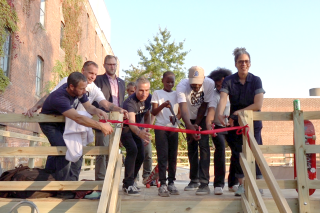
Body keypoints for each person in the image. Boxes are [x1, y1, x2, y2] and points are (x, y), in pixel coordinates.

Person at [37, 72, 114, 183]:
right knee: (62, 149)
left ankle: (71, 183)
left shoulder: (79, 91)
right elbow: (78, 118)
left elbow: (88, 107)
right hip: (50, 124)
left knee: (76, 148)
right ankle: (61, 186)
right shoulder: (59, 97)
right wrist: (100, 126)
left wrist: (97, 110)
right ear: (71, 87)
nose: (84, 92)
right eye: (82, 89)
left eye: (85, 88)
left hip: (64, 122)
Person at [216, 47, 265, 196]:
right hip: (235, 124)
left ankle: (258, 185)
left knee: (255, 152)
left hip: (253, 123)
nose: (243, 64)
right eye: (240, 62)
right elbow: (223, 98)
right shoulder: (229, 81)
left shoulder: (256, 80)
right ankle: (242, 185)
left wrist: (238, 112)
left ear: (250, 64)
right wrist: (219, 114)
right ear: (235, 64)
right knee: (237, 153)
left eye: (246, 61)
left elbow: (258, 105)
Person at [176, 66, 216, 195]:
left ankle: (204, 183)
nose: (195, 87)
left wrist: (198, 126)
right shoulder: (182, 86)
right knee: (191, 147)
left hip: (202, 118)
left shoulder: (210, 84)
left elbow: (205, 105)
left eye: (198, 84)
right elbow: (183, 107)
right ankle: (194, 179)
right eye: (193, 84)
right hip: (189, 118)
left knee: (204, 147)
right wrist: (190, 126)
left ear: (203, 79)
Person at [93, 55, 126, 181]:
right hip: (103, 118)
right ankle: (101, 180)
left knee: (113, 150)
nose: (112, 67)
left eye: (114, 64)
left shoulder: (122, 83)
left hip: (117, 120)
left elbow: (121, 102)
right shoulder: (98, 79)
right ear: (104, 65)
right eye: (109, 64)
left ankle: (111, 178)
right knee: (102, 149)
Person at [207, 67, 239, 195]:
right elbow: (211, 111)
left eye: (222, 85)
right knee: (220, 148)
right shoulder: (214, 95)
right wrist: (209, 125)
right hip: (218, 126)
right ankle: (218, 184)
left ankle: (233, 183)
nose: (220, 88)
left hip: (232, 126)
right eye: (217, 85)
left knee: (236, 151)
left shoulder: (234, 94)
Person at [151, 71, 181, 197]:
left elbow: (180, 112)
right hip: (161, 128)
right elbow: (153, 112)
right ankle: (162, 184)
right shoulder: (157, 93)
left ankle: (171, 182)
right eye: (167, 81)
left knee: (173, 157)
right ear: (162, 80)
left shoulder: (177, 94)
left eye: (172, 82)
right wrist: (163, 105)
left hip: (173, 129)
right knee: (162, 156)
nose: (170, 84)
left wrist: (176, 118)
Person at [121, 77, 152, 196]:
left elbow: (148, 114)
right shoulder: (130, 102)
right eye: (141, 91)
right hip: (126, 129)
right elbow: (132, 122)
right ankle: (128, 184)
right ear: (135, 89)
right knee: (133, 150)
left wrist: (147, 128)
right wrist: (140, 133)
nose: (144, 94)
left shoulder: (149, 97)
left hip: (138, 129)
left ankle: (130, 181)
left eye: (147, 90)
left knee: (142, 155)